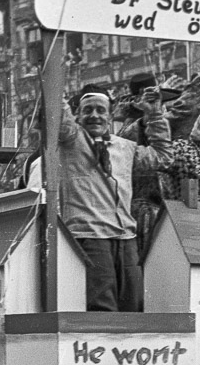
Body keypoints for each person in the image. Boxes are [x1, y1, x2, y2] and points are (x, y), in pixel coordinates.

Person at [58, 83, 171, 312]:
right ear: (77, 115)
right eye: (87, 110)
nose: (94, 115)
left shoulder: (125, 148)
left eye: (101, 110)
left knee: (135, 304)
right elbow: (56, 115)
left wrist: (154, 113)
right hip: (90, 238)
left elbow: (162, 157)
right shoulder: (71, 140)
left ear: (110, 117)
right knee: (101, 307)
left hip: (126, 238)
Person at [116, 56, 200, 255]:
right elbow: (185, 106)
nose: (163, 107)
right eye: (159, 102)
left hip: (145, 212)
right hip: (148, 215)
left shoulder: (126, 130)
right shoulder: (139, 128)